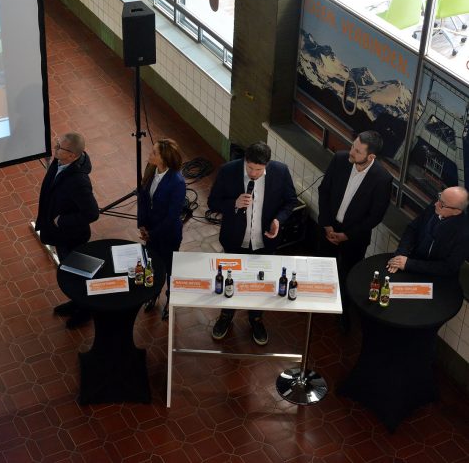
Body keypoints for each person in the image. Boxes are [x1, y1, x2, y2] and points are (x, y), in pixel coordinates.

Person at [207, 141, 297, 346]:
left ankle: (256, 318)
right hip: (234, 240)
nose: (254, 173)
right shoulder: (228, 171)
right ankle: (226, 315)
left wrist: (278, 220)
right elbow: (213, 202)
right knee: (230, 278)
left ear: (267, 164)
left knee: (260, 282)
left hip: (265, 242)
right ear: (244, 161)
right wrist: (234, 204)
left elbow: (290, 201)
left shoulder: (280, 172)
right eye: (250, 168)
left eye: (259, 169)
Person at [318, 130, 392, 331]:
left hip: (355, 236)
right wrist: (326, 225)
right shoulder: (340, 159)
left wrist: (347, 235)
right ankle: (317, 303)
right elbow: (324, 191)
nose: (351, 152)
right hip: (329, 226)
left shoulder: (382, 179)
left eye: (357, 151)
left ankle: (343, 312)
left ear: (371, 157)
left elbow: (375, 216)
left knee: (347, 274)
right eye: (352, 146)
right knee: (323, 267)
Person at [36, 132, 100, 329]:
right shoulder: (60, 162)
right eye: (57, 144)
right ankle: (76, 303)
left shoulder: (79, 181)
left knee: (78, 275)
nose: (55, 149)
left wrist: (62, 220)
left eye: (59, 148)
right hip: (58, 232)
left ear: (72, 155)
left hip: (71, 237)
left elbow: (92, 213)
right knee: (70, 272)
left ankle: (85, 310)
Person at [137, 138, 187, 321]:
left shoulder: (177, 182)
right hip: (150, 231)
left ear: (164, 159)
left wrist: (152, 233)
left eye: (154, 152)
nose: (150, 154)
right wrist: (141, 224)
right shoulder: (150, 169)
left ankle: (170, 301)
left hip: (167, 235)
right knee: (152, 266)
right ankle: (153, 295)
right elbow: (142, 198)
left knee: (170, 269)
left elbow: (172, 216)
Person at [387, 186, 469, 277]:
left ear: (456, 211)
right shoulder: (434, 207)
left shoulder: (464, 233)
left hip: (437, 279)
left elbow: (448, 267)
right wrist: (400, 255)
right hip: (411, 264)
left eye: (442, 204)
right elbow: (412, 229)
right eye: (439, 197)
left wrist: (409, 264)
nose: (436, 204)